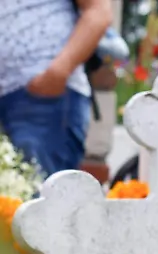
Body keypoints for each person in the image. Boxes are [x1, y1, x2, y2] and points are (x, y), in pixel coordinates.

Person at [0, 0, 113, 176]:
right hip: (11, 91)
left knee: (40, 194)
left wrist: (57, 73)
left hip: (43, 96)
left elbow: (98, 11)